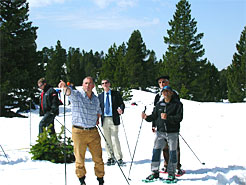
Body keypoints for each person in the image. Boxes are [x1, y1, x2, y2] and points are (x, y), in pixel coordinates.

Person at [58, 77, 104, 185]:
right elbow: (69, 92)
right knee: (79, 158)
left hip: (93, 132)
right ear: (83, 85)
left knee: (98, 158)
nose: (88, 85)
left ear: (93, 85)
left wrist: (97, 118)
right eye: (86, 83)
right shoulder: (77, 95)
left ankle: (100, 179)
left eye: (90, 83)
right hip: (79, 132)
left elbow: (99, 111)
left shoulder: (96, 99)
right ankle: (82, 180)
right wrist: (64, 87)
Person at [142, 86, 183, 182]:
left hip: (172, 132)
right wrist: (146, 117)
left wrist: (168, 117)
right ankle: (155, 172)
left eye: (168, 91)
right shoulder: (159, 104)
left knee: (173, 153)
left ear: (171, 93)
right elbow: (154, 116)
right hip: (160, 132)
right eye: (164, 91)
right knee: (156, 152)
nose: (166, 93)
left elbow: (179, 118)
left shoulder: (177, 104)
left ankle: (171, 173)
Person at [153, 76, 183, 175]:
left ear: (168, 82)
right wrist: (154, 124)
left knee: (174, 148)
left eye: (164, 82)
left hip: (172, 126)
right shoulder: (157, 96)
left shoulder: (173, 93)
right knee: (164, 147)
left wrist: (170, 119)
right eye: (160, 82)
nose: (162, 84)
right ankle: (166, 164)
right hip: (161, 126)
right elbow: (155, 112)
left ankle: (177, 166)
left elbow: (176, 109)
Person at [98, 79, 125, 166]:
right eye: (103, 83)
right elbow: (98, 107)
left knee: (114, 138)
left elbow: (121, 104)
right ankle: (110, 157)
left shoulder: (115, 94)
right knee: (107, 139)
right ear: (101, 85)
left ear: (109, 84)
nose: (105, 84)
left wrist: (121, 109)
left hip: (113, 118)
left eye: (106, 83)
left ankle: (119, 158)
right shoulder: (100, 96)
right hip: (104, 119)